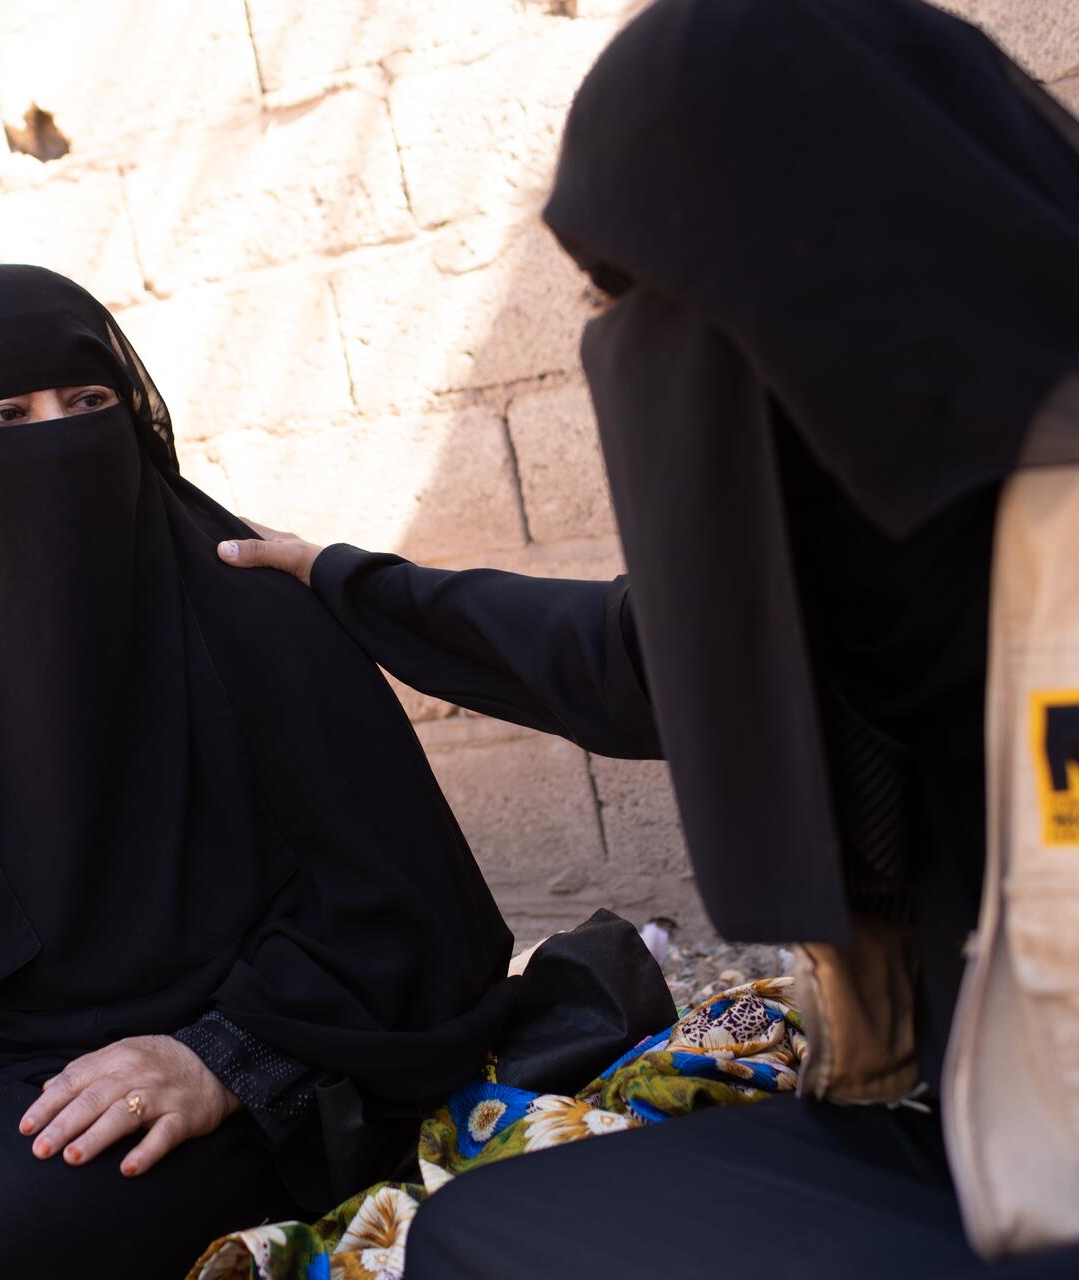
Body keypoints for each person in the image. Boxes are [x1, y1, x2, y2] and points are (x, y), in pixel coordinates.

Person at [218, 0, 1079, 1273]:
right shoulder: (865, 564)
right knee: (479, 1226)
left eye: (635, 299)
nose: (619, 356)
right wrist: (344, 580)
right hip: (984, 1132)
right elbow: (627, 656)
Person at [0, 264, 539, 1280]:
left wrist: (224, 1060)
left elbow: (409, 906)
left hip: (243, 1052)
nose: (54, 438)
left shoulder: (254, 618)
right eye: (5, 414)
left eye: (89, 403)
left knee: (12, 1236)